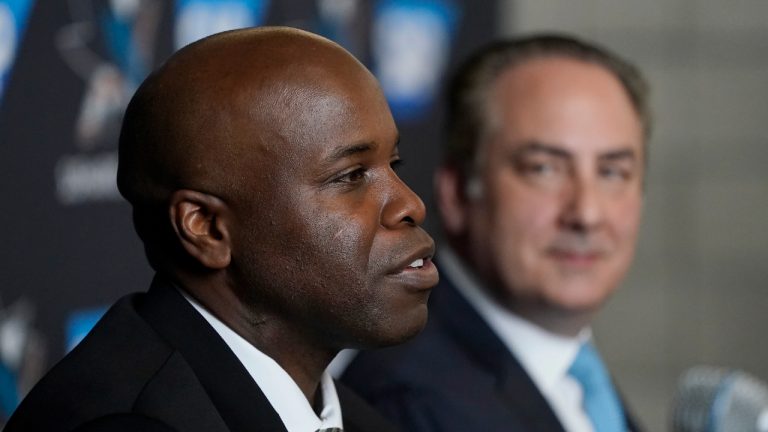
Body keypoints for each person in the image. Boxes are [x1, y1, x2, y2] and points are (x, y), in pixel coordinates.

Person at [6, 26, 439, 432]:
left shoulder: (353, 415)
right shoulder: (128, 423)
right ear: (207, 229)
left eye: (393, 164)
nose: (411, 205)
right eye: (350, 176)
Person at [342, 34, 650, 432]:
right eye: (543, 168)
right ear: (456, 193)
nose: (587, 214)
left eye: (612, 172)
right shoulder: (408, 404)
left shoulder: (575, 374)